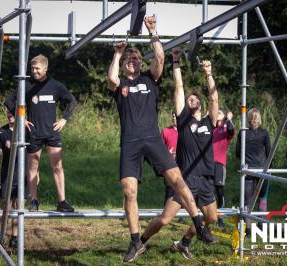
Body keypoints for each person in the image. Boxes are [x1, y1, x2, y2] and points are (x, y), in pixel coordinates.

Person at [107, 17, 213, 262]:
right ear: (124, 65)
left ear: (140, 62)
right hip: (131, 142)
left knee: (177, 180)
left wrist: (153, 32)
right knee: (129, 191)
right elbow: (111, 79)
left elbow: (161, 58)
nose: (132, 61)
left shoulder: (149, 79)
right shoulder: (120, 83)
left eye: (136, 58)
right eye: (128, 60)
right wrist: (117, 53)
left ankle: (199, 223)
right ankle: (136, 241)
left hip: (153, 139)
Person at [138, 47, 219, 260]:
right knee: (164, 219)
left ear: (200, 103)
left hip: (205, 180)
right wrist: (175, 61)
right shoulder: (184, 121)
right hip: (186, 180)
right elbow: (179, 87)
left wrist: (208, 73)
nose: (191, 100)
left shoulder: (210, 122)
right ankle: (140, 241)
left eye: (194, 98)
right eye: (189, 99)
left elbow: (214, 98)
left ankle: (184, 242)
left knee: (211, 217)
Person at [5, 54, 77, 212]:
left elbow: (72, 101)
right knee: (32, 167)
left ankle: (62, 202)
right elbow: (9, 101)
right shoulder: (26, 85)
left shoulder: (55, 85)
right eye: (32, 68)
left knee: (57, 166)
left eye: (37, 68)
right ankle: (34, 201)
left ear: (45, 68)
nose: (34, 71)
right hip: (33, 133)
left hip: (52, 132)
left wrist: (64, 119)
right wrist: (21, 118)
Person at [235, 108, 271, 236]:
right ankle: (262, 226)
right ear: (259, 118)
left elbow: (238, 153)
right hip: (262, 169)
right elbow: (269, 153)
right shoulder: (265, 133)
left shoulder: (243, 133)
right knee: (263, 198)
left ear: (248, 118)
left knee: (247, 201)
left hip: (248, 169)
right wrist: (269, 169)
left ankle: (249, 229)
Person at [0, 111, 27, 249]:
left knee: (19, 207)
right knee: (5, 208)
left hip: (23, 176)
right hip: (7, 177)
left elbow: (33, 155)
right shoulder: (1, 132)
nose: (10, 114)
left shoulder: (26, 130)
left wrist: (35, 174)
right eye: (8, 112)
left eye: (12, 112)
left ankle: (14, 238)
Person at [212, 109, 235, 226]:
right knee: (206, 191)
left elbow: (232, 130)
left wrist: (229, 119)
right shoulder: (211, 129)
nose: (217, 114)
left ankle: (220, 217)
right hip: (208, 164)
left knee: (219, 190)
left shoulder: (226, 130)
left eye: (219, 113)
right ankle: (209, 215)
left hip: (219, 165)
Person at [161, 111, 178, 205]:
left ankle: (181, 217)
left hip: (184, 166)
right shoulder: (165, 131)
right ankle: (165, 216)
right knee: (169, 192)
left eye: (176, 116)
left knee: (183, 191)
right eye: (173, 116)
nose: (174, 118)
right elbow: (159, 150)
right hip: (169, 166)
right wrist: (167, 153)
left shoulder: (186, 131)